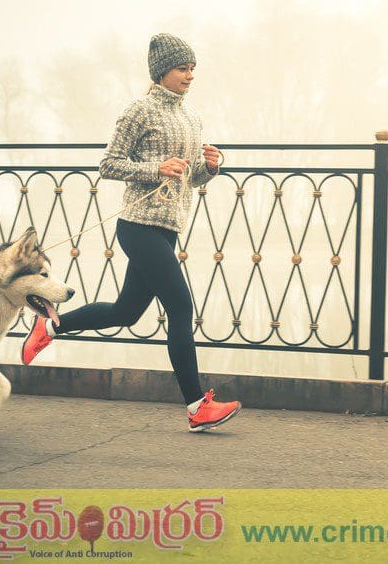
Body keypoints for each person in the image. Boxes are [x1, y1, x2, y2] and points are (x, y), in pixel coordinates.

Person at [20, 33, 241, 432]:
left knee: (126, 311)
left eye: (193, 68)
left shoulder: (193, 117)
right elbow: (109, 165)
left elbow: (189, 179)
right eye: (182, 68)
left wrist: (208, 169)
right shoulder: (138, 111)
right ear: (161, 72)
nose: (190, 75)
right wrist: (155, 168)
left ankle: (50, 326)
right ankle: (196, 406)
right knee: (180, 307)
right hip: (138, 227)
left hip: (169, 227)